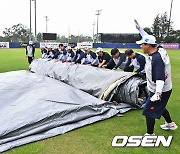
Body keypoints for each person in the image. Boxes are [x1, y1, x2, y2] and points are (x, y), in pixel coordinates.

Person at [135, 20, 178, 136]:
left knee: (149, 111)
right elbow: (148, 38)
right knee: (160, 107)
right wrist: (140, 29)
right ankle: (170, 123)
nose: (141, 46)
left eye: (142, 44)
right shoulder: (159, 48)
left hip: (160, 90)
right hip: (159, 89)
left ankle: (150, 135)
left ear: (148, 46)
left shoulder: (157, 60)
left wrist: (157, 94)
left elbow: (160, 79)